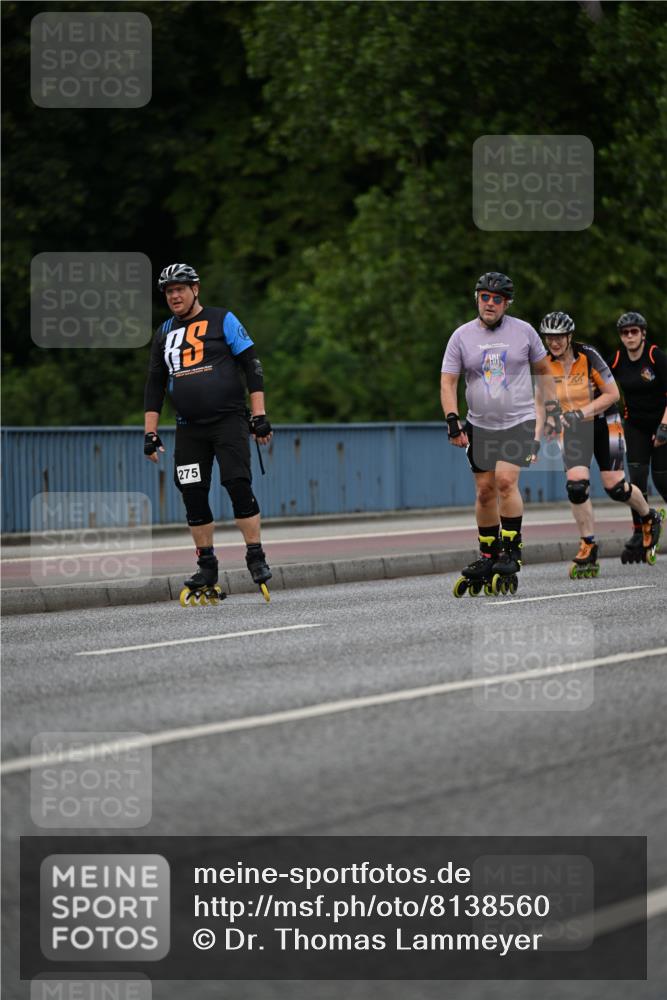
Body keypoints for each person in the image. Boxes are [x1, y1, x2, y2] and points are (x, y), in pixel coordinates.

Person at [143, 263, 273, 603]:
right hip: (189, 429)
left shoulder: (222, 319)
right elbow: (155, 384)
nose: (174, 296)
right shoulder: (163, 332)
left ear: (195, 289)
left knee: (237, 483)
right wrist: (150, 433)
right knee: (192, 492)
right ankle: (207, 566)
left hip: (229, 421)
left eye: (179, 289)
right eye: (169, 291)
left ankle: (255, 555)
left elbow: (252, 365)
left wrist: (259, 415)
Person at [441, 271, 561, 597]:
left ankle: (511, 551)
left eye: (497, 299)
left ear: (507, 303)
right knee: (484, 491)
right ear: (477, 299)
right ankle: (488, 555)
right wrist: (452, 419)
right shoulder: (461, 336)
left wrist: (551, 412)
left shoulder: (524, 332)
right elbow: (449, 381)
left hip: (519, 421)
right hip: (479, 424)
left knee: (506, 481)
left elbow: (544, 371)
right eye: (485, 297)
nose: (490, 303)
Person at [537, 311, 657, 577]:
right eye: (549, 338)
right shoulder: (544, 363)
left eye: (559, 337)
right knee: (576, 487)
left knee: (615, 487)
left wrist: (580, 413)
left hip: (605, 421)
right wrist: (542, 430)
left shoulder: (589, 355)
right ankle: (588, 544)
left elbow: (612, 394)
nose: (554, 343)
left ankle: (649, 516)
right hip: (574, 427)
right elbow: (541, 400)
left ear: (570, 336)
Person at [610, 311, 667, 563]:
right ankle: (639, 530)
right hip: (635, 425)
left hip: (662, 422)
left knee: (662, 480)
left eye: (634, 331)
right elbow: (599, 380)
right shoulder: (617, 359)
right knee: (636, 480)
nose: (630, 336)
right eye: (625, 333)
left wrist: (664, 427)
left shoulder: (655, 356)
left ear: (643, 334)